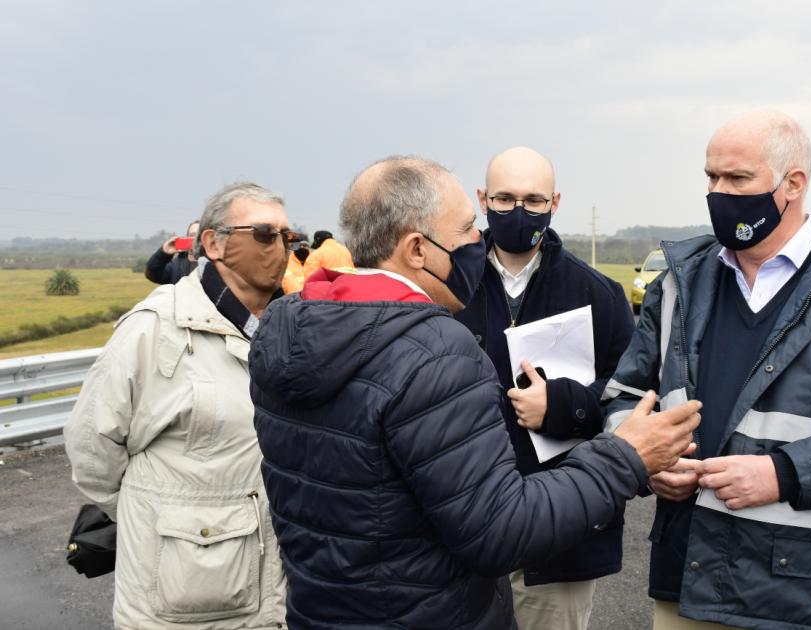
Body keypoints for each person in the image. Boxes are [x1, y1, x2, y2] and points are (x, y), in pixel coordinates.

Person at [249, 156, 702, 630]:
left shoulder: (288, 331)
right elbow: (498, 530)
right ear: (417, 250)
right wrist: (624, 456)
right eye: (467, 227)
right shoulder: (435, 348)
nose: (476, 240)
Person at [603, 110, 811, 629]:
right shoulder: (677, 282)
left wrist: (783, 474)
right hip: (687, 583)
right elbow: (623, 396)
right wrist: (644, 459)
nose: (719, 192)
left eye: (737, 179)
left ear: (793, 184)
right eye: (711, 178)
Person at [64, 182, 291, 629]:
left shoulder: (291, 328)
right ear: (213, 243)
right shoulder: (154, 330)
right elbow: (92, 451)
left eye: (289, 237)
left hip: (272, 593)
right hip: (178, 597)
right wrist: (159, 514)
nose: (279, 248)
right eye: (264, 234)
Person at [453, 146, 634, 630]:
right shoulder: (448, 286)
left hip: (559, 537)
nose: (518, 211)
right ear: (481, 198)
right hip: (458, 530)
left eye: (533, 200)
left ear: (555, 202)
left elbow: (634, 398)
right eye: (504, 198)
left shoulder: (599, 294)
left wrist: (564, 405)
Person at [281, 229, 354, 293]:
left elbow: (310, 284)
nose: (302, 248)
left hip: (319, 299)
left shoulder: (315, 257)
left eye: (305, 245)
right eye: (299, 245)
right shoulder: (286, 263)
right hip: (347, 292)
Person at [145, 220, 199, 284]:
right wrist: (163, 253)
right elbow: (152, 273)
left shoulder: (213, 264)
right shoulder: (175, 266)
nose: (196, 239)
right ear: (187, 238)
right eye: (193, 235)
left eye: (199, 235)